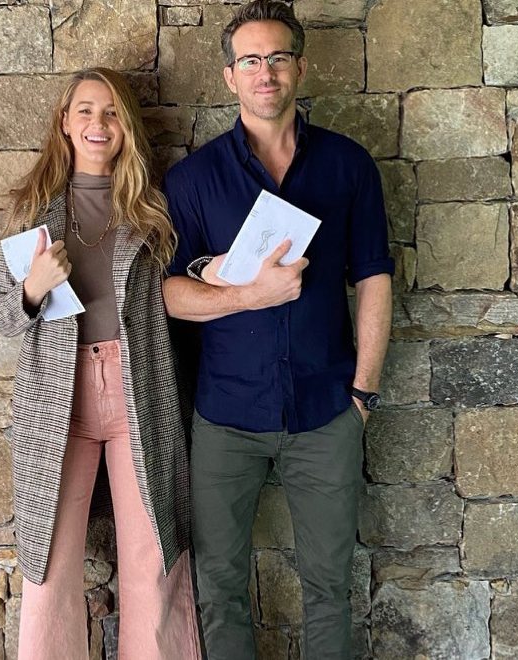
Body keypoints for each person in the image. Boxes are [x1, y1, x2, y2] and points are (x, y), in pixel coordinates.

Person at [161, 1, 394, 657]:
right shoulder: (193, 180)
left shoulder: (349, 166)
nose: (265, 72)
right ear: (230, 76)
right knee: (218, 588)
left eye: (278, 57)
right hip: (226, 418)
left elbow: (374, 278)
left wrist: (362, 395)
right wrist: (248, 296)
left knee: (329, 587)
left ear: (300, 68)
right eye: (250, 60)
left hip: (327, 412)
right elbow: (169, 294)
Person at [0, 67, 200, 660]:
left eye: (110, 112)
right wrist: (32, 287)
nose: (97, 123)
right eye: (84, 110)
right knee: (48, 562)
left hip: (142, 390)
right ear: (64, 122)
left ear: (126, 126)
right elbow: (2, 318)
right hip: (58, 398)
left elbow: (182, 292)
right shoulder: (33, 210)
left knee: (153, 555)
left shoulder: (153, 210)